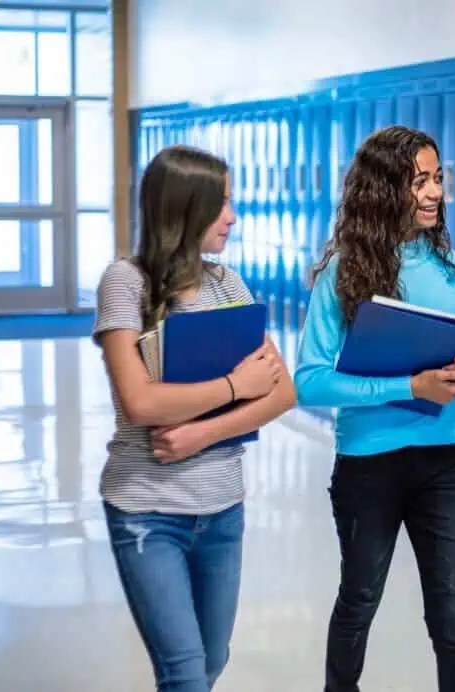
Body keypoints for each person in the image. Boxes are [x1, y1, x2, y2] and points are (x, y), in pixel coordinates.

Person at [92, 144, 297, 692]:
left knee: (211, 661)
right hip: (147, 510)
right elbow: (140, 402)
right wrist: (235, 387)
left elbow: (282, 394)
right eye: (221, 204)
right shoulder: (126, 283)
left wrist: (202, 432)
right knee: (183, 674)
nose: (233, 217)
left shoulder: (228, 285)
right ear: (184, 209)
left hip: (222, 508)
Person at [294, 125, 455, 692]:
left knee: (454, 621)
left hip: (443, 460)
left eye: (437, 179)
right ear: (384, 190)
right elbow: (309, 381)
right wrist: (408, 385)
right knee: (359, 600)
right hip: (368, 465)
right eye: (418, 181)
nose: (433, 193)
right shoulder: (343, 272)